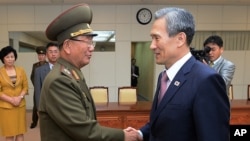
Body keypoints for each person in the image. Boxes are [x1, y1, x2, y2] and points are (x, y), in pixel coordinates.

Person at [126, 7, 230, 141]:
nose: (152, 46)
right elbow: (162, 121)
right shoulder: (163, 77)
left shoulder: (206, 80)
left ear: (180, 39)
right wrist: (140, 134)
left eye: (157, 38)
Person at [38, 3, 138, 141]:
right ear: (67, 46)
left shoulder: (72, 73)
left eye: (92, 43)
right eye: (87, 42)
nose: (91, 48)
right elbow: (85, 131)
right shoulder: (59, 81)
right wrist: (123, 136)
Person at [0, 46, 28, 141]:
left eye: (12, 56)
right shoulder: (0, 72)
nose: (10, 59)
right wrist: (11, 100)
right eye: (7, 57)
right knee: (10, 134)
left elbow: (25, 87)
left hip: (20, 105)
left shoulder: (21, 70)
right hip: (6, 107)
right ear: (3, 58)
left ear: (15, 57)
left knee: (20, 132)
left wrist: (19, 98)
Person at [34, 42, 59, 110]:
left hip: (62, 106)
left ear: (59, 54)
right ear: (47, 54)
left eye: (55, 51)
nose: (53, 54)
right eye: (50, 52)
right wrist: (39, 108)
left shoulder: (65, 69)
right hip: (46, 106)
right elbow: (38, 91)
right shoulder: (39, 71)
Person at [30, 46, 47, 129]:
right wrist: (36, 85)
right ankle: (34, 121)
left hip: (46, 89)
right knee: (36, 105)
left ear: (45, 56)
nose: (41, 57)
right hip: (37, 89)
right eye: (39, 55)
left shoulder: (48, 65)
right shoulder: (35, 65)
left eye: (43, 55)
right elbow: (32, 77)